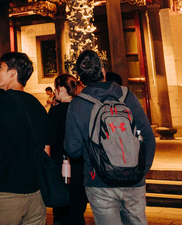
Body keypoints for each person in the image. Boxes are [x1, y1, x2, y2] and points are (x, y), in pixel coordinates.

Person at [64, 50, 156, 225]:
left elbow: (73, 150)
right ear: (103, 71)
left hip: (98, 180)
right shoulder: (126, 95)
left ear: (79, 78)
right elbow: (148, 136)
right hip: (133, 180)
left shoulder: (77, 105)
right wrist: (141, 170)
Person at [0, 51, 50, 225]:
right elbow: (46, 153)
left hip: (5, 194)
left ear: (13, 73)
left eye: (1, 68)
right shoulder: (39, 107)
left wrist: (2, 150)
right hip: (36, 196)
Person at [48, 74, 87, 225]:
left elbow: (49, 140)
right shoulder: (80, 109)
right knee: (77, 210)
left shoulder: (55, 112)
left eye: (56, 87)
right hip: (79, 165)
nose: (55, 91)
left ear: (62, 88)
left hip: (60, 165)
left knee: (61, 211)